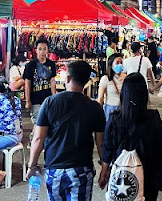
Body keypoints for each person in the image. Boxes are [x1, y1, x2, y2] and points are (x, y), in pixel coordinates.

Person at [27, 61, 106, 201]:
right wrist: (105, 167)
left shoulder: (50, 102)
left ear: (68, 78)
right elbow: (101, 143)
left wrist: (32, 166)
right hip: (81, 169)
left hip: (54, 168)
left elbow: (38, 138)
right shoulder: (94, 107)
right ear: (87, 81)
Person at [100, 73, 162, 201]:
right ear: (144, 94)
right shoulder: (153, 118)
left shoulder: (114, 118)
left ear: (123, 93)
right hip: (149, 177)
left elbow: (107, 148)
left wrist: (104, 172)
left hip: (123, 175)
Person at [23, 38, 57, 124]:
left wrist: (54, 98)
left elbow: (52, 81)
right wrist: (28, 101)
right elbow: (27, 83)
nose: (42, 51)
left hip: (48, 100)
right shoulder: (30, 65)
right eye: (40, 49)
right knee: (38, 123)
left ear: (47, 50)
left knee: (49, 122)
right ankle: (35, 137)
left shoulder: (51, 64)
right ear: (36, 50)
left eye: (44, 49)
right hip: (35, 101)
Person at [98, 53, 125, 121]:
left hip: (123, 109)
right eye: (117, 63)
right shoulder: (105, 79)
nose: (120, 65)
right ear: (111, 65)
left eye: (121, 62)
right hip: (110, 110)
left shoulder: (126, 78)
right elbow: (100, 98)